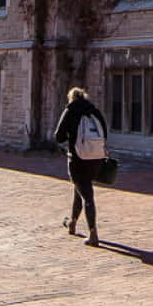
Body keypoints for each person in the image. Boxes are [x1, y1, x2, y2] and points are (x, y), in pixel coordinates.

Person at [54, 85, 108, 247]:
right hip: (96, 159)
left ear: (71, 98)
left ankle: (93, 234)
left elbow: (59, 136)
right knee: (80, 189)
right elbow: (104, 132)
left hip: (77, 159)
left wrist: (70, 138)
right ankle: (72, 223)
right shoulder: (95, 111)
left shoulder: (70, 110)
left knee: (87, 195)